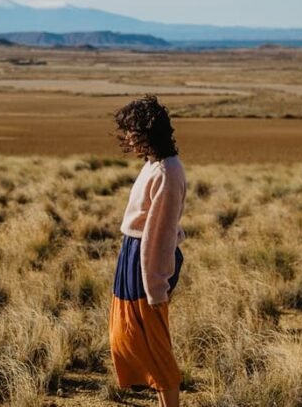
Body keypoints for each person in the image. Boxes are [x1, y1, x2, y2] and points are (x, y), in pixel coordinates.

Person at [109, 95, 186, 407]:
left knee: (155, 346)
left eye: (132, 130)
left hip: (147, 262)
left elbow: (159, 234)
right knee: (127, 337)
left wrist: (155, 288)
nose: (127, 137)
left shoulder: (167, 173)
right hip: (134, 257)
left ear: (147, 132)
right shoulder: (155, 166)